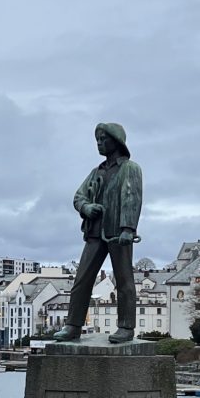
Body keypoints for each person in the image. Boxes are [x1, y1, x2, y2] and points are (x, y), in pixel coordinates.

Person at [54, 123, 142, 343]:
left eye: (103, 139)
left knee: (124, 280)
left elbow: (132, 198)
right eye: (97, 140)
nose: (99, 144)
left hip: (118, 234)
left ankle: (126, 327)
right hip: (94, 232)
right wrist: (86, 208)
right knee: (82, 279)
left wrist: (128, 229)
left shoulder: (130, 168)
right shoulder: (96, 172)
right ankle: (73, 325)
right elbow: (79, 196)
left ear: (117, 141)